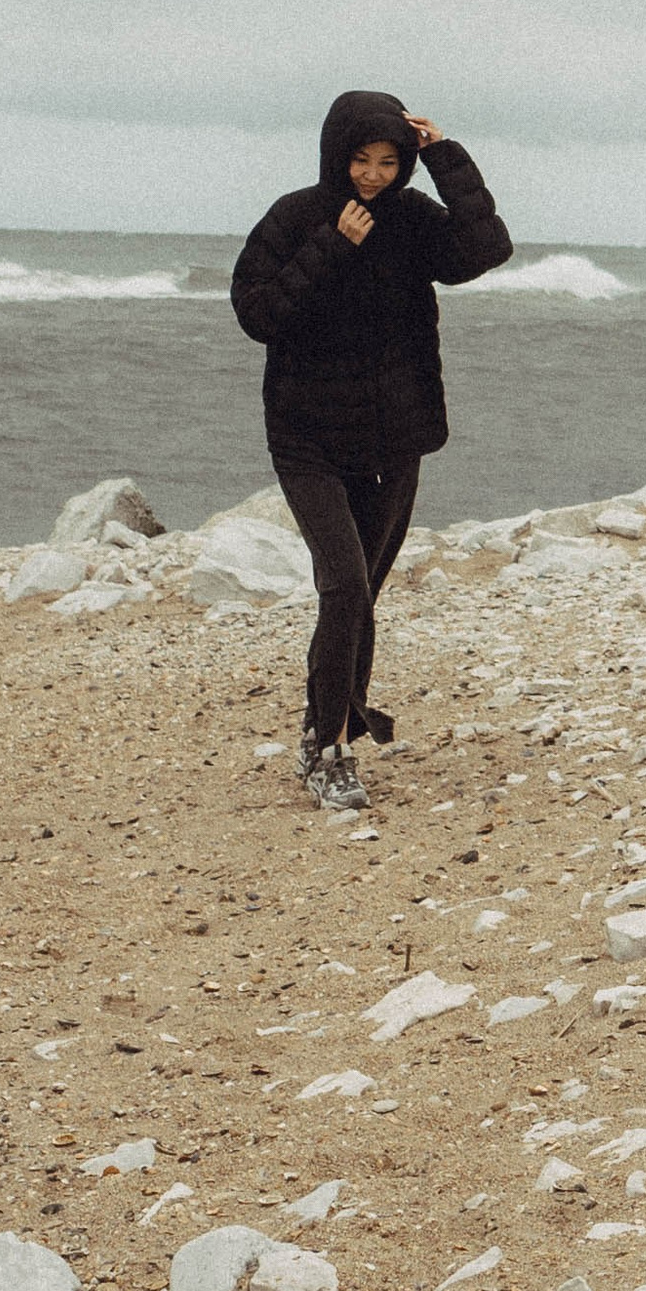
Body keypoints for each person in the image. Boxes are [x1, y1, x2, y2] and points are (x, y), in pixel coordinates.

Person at [229, 89, 512, 813]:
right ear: (336, 153)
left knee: (362, 600)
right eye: (361, 160)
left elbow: (485, 250)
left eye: (391, 162)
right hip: (307, 439)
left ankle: (322, 724)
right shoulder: (296, 216)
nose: (374, 176)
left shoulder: (416, 221)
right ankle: (329, 752)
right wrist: (332, 246)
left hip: (393, 441)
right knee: (345, 587)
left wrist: (448, 159)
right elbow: (257, 315)